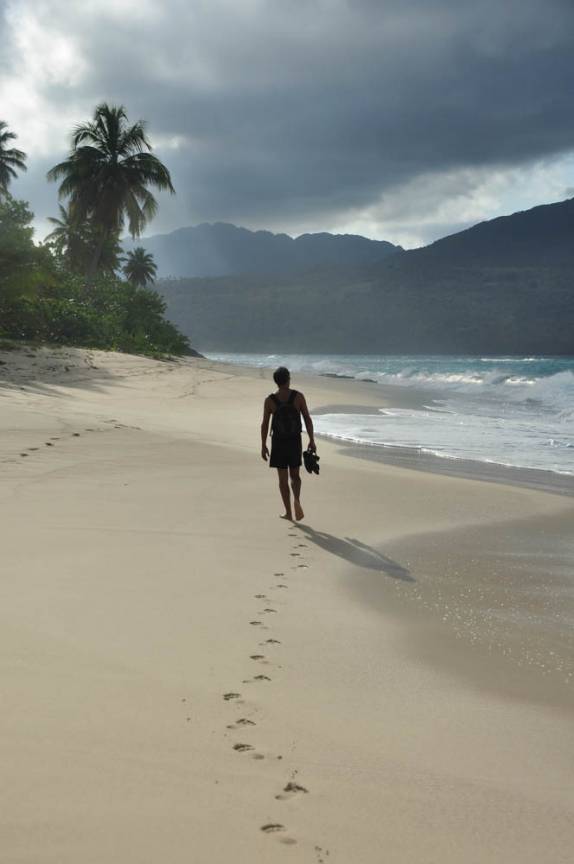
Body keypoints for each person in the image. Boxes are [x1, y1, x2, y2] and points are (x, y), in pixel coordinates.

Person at [261, 366, 316, 521]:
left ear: (276, 382)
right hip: (294, 441)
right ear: (288, 379)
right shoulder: (298, 396)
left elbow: (265, 424)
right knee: (295, 476)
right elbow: (307, 418)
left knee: (282, 479)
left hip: (278, 442)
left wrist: (263, 444)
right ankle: (296, 500)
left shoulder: (270, 400)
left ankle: (288, 513)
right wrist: (311, 440)